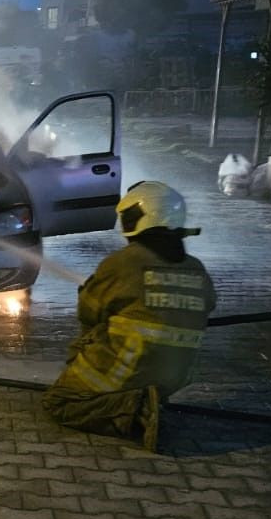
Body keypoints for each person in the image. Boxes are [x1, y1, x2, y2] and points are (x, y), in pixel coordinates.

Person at [42, 180, 215, 450]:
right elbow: (207, 306)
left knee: (61, 402)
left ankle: (136, 407)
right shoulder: (196, 267)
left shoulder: (124, 262)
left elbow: (89, 313)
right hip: (175, 376)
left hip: (127, 367)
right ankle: (150, 398)